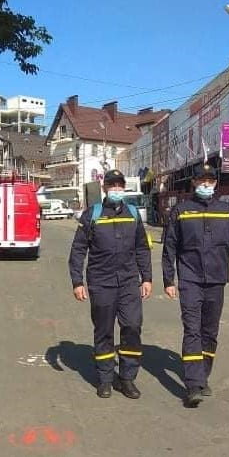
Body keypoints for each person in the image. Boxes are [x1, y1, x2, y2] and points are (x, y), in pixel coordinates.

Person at [161, 163, 229, 407]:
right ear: (194, 183)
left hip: (216, 280)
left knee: (210, 332)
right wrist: (169, 279)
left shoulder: (226, 211)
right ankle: (192, 385)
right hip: (189, 279)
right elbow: (169, 247)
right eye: (201, 181)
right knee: (192, 330)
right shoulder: (181, 211)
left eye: (210, 181)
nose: (206, 185)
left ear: (215, 183)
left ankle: (203, 375)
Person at [68, 169, 152, 400]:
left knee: (132, 327)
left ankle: (127, 378)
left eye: (119, 186)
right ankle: (105, 378)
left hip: (128, 282)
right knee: (104, 331)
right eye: (112, 185)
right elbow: (78, 250)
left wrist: (146, 278)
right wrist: (78, 282)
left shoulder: (133, 214)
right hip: (101, 283)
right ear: (104, 188)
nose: (116, 189)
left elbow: (143, 249)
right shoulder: (92, 214)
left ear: (123, 188)